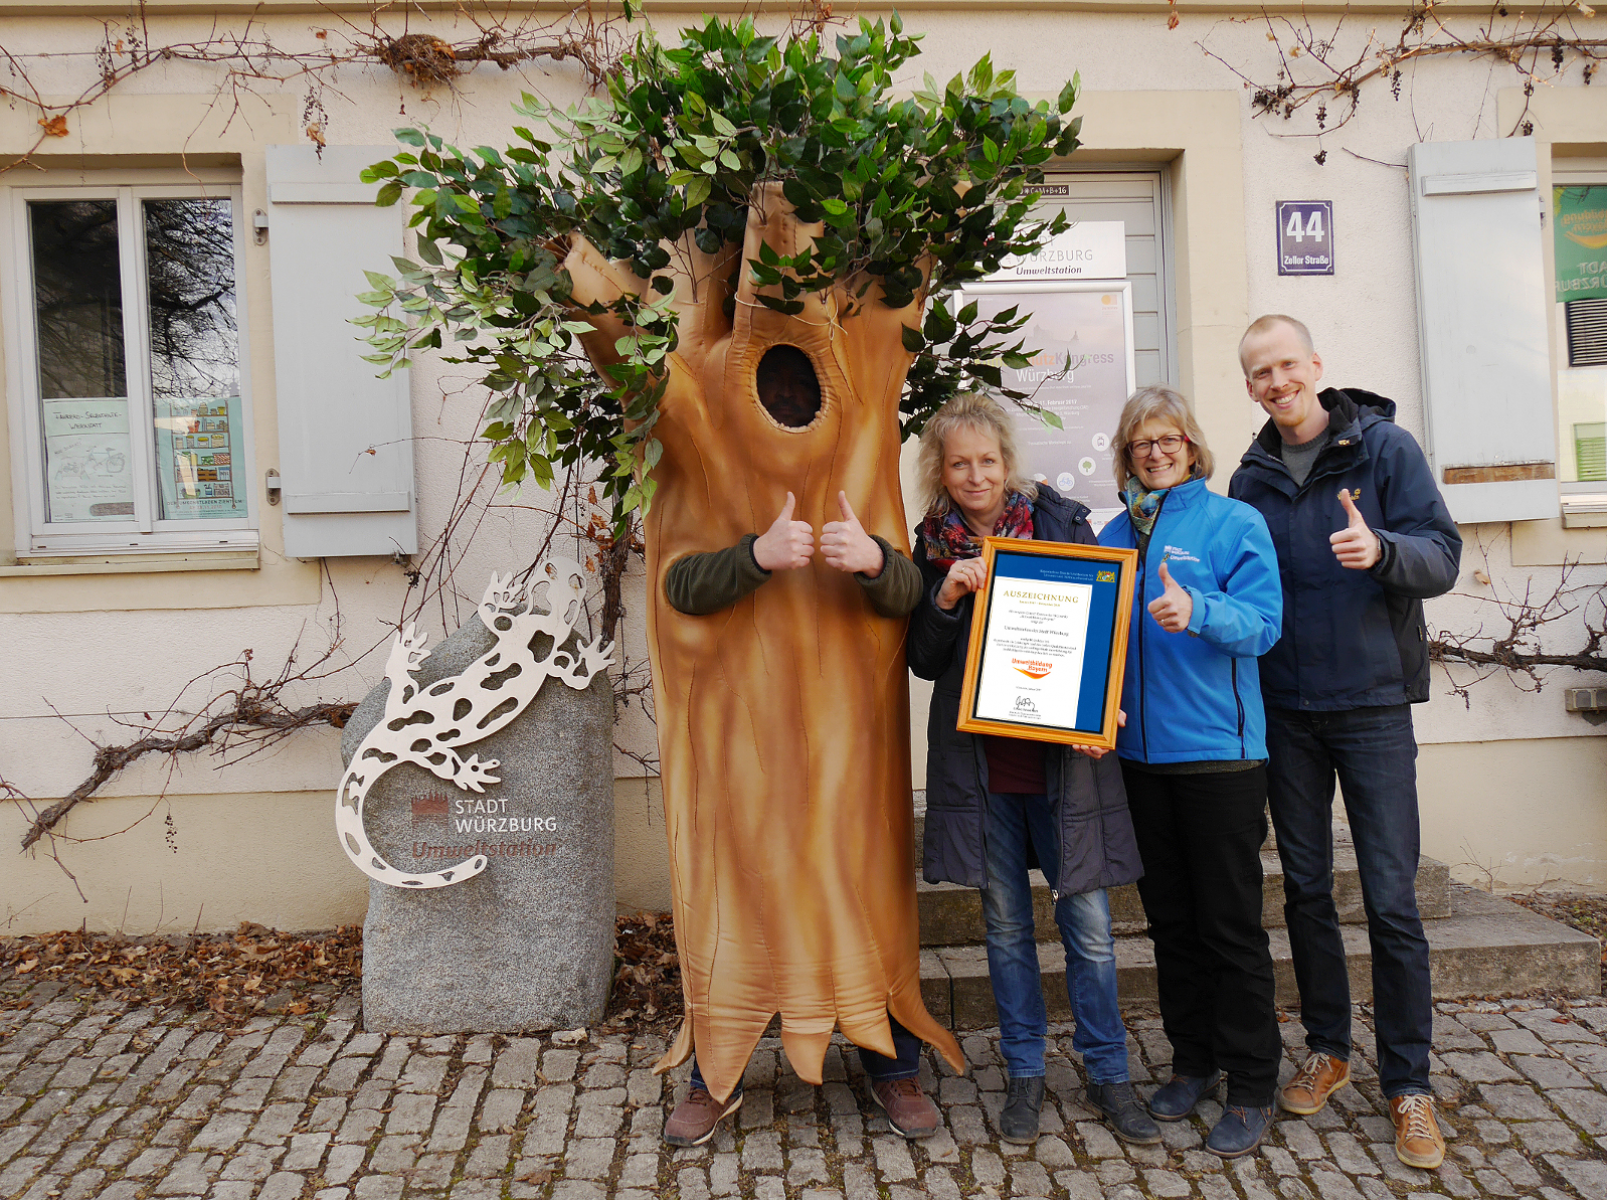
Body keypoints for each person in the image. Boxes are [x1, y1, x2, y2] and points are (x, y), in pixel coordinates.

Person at [1229, 315, 1461, 1170]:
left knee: (1392, 901)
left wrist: (1382, 549)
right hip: (1284, 712)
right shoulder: (1248, 480)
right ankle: (1328, 1047)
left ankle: (1408, 1083)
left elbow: (1441, 554)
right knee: (1305, 892)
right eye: (1259, 372)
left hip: (1369, 707)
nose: (1275, 381)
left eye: (1286, 364)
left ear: (1315, 367)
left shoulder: (1383, 449)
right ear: (1249, 386)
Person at [659, 485, 950, 1146]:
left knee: (864, 897)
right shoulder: (713, 447)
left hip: (848, 726)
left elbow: (909, 593)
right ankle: (714, 1077)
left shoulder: (857, 455)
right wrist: (754, 555)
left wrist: (874, 560)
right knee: (734, 897)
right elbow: (676, 583)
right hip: (743, 726)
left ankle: (893, 1064)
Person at [908, 392, 1159, 1147]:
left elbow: (1106, 630)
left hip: (1064, 770)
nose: (975, 476)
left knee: (1087, 931)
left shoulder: (1059, 524)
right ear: (941, 472)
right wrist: (948, 595)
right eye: (960, 464)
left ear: (1006, 464)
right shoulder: (928, 546)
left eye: (987, 461)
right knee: (1007, 930)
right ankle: (1024, 1075)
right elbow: (921, 659)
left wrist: (1104, 708)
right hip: (983, 772)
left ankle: (1108, 1074)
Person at [1098, 386, 1283, 1157]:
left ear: (1192, 446)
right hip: (1140, 762)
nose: (1156, 451)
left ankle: (1250, 1083)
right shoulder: (1113, 531)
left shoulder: (1233, 521)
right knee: (1171, 926)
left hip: (1219, 758)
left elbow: (1265, 626)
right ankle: (1192, 1061)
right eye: (1141, 441)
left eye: (1168, 438)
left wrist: (1197, 612)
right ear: (1126, 453)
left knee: (1230, 929)